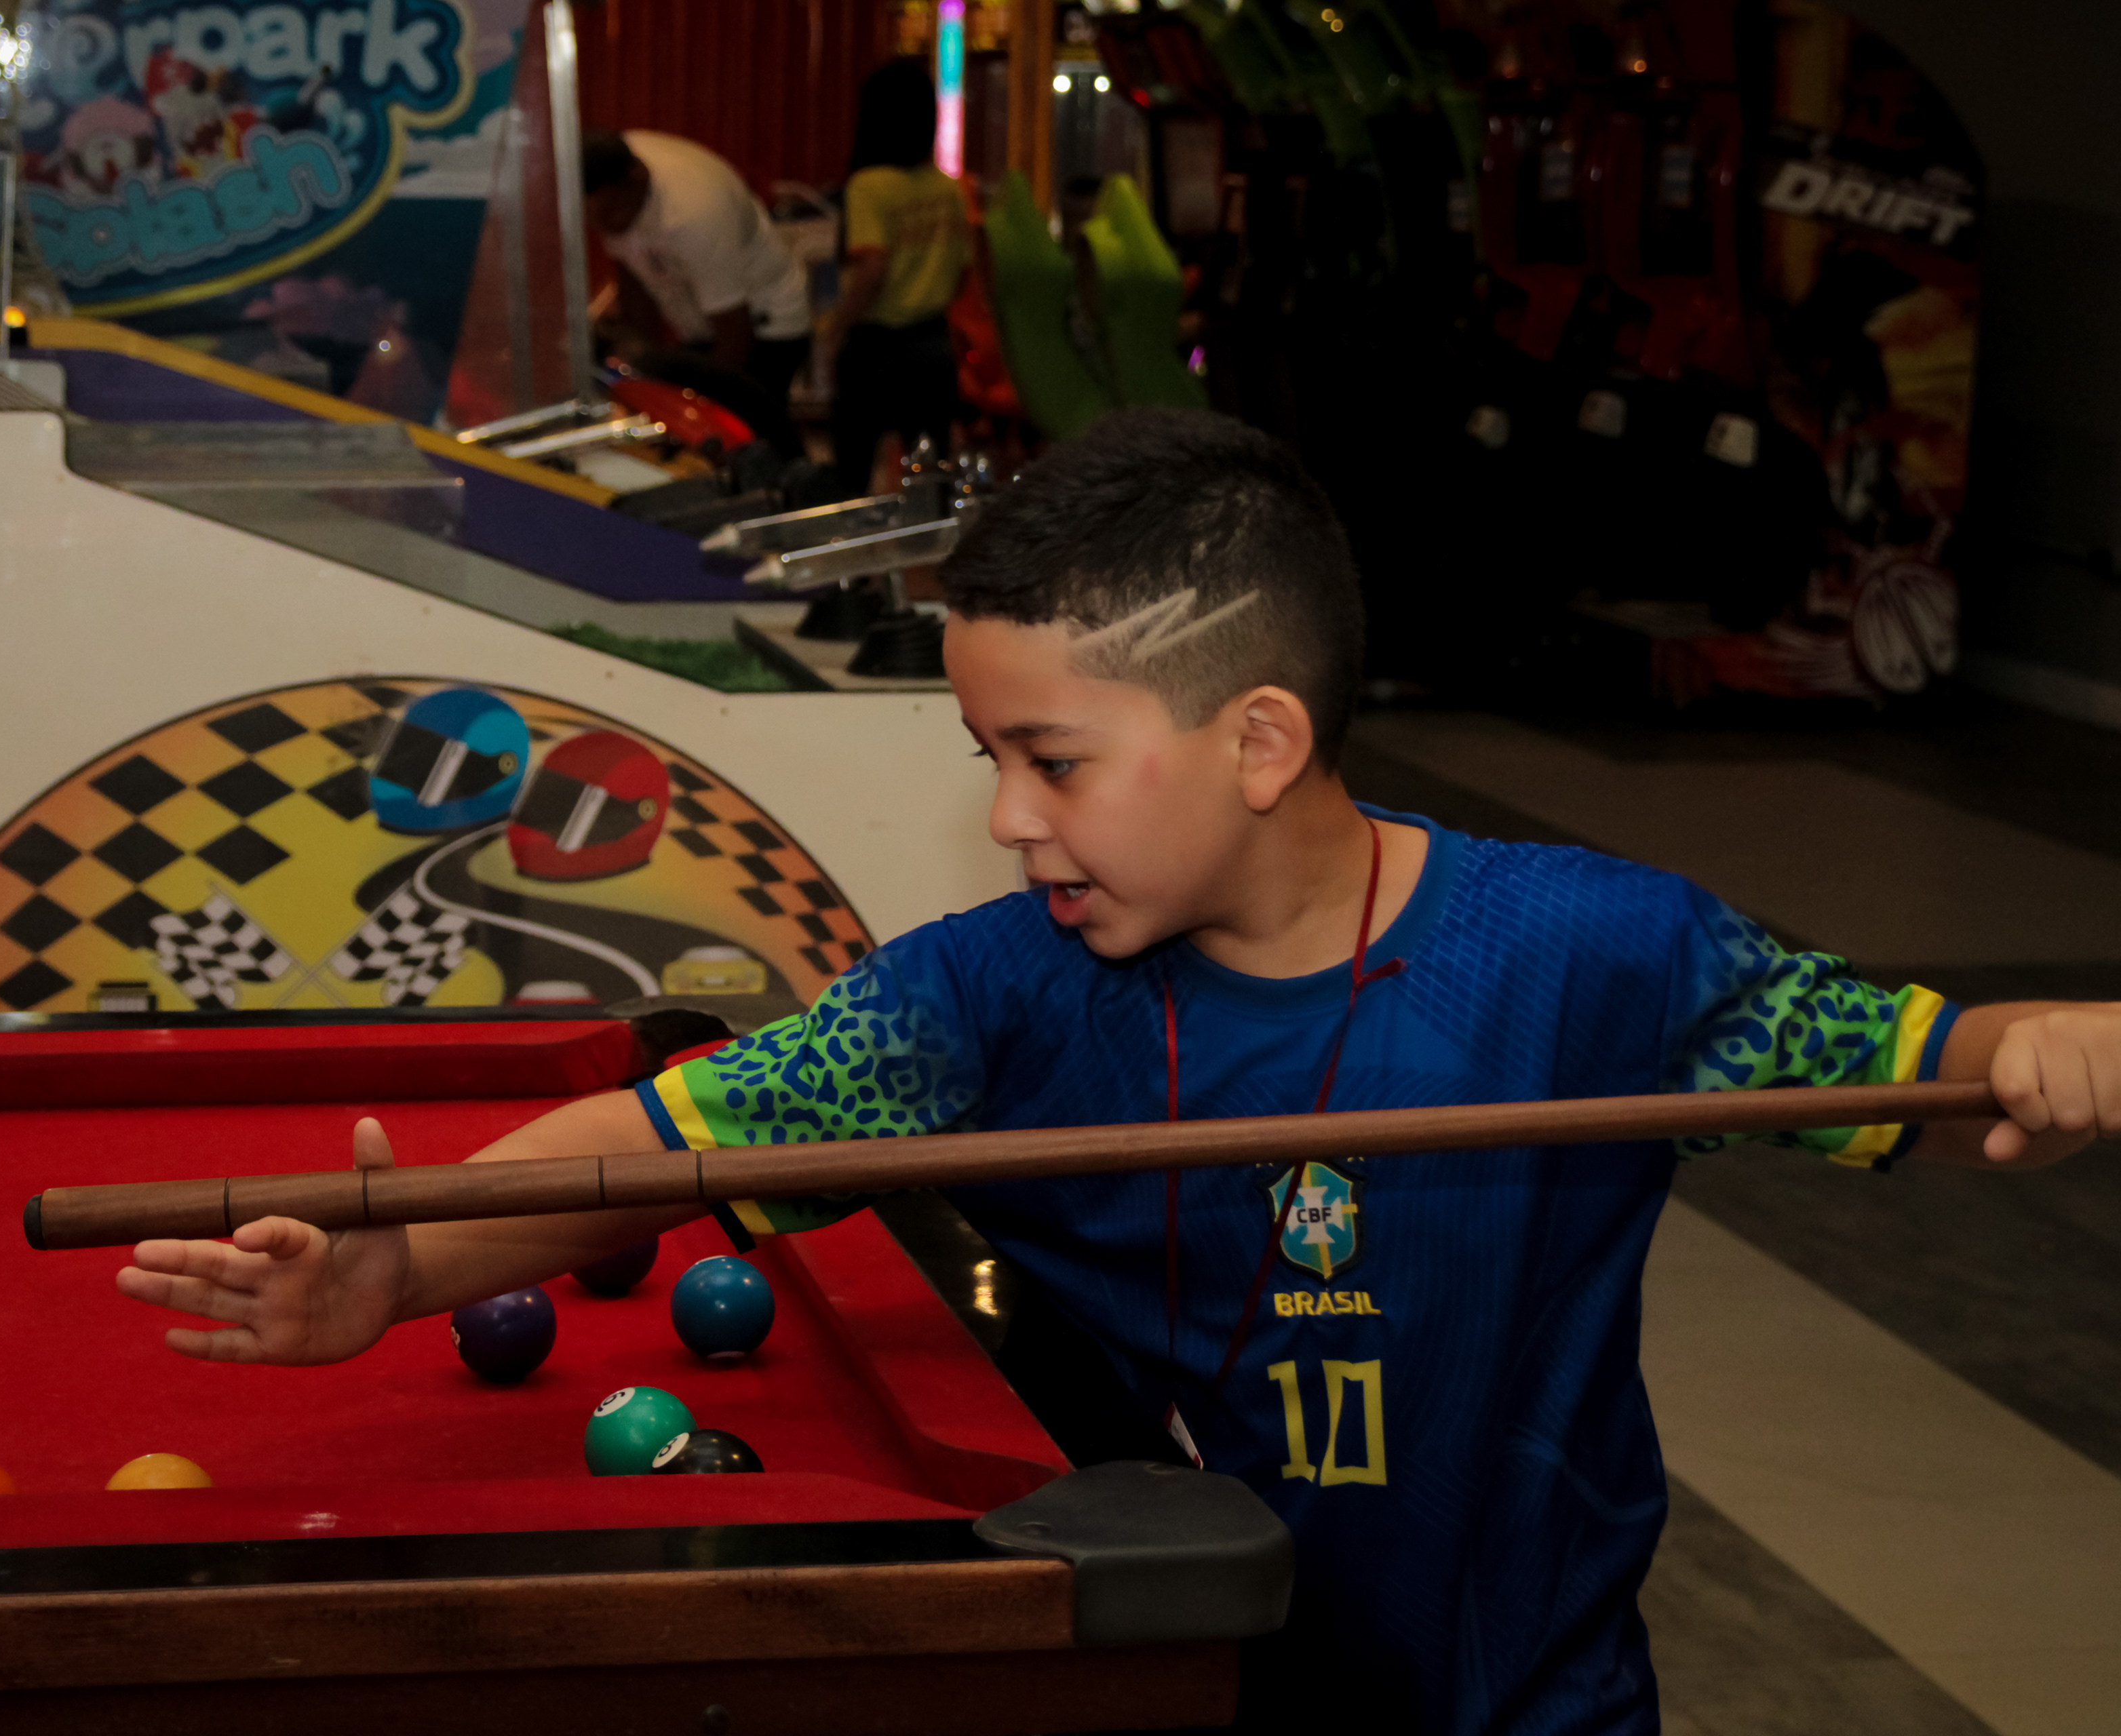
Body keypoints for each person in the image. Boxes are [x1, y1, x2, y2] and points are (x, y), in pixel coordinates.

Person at [115, 409, 2121, 1734]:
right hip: (1159, 1691)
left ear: (1256, 740)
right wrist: (408, 1264)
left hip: (1534, 1705)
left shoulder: (1595, 949)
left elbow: (1924, 1074)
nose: (1001, 818)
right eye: (983, 755)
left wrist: (2040, 1043)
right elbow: (663, 1149)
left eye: (1047, 758)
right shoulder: (979, 1003)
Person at [583, 129, 812, 453]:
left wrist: (708, 411)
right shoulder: (608, 173)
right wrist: (641, 370)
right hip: (702, 321)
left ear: (636, 180)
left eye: (607, 214)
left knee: (752, 437)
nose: (602, 227)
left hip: (765, 324)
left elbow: (734, 330)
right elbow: (633, 281)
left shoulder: (692, 214)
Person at [825, 59, 971, 496]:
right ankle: (933, 557)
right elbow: (963, 271)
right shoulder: (949, 188)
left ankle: (853, 560)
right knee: (931, 472)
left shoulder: (868, 186)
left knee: (852, 469)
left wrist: (838, 326)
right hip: (933, 344)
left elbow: (872, 268)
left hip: (876, 347)